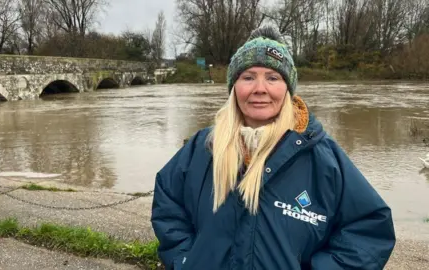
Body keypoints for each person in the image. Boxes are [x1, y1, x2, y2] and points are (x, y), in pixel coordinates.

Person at [151, 26, 396, 270]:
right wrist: (185, 260)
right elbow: (168, 204)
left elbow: (369, 230)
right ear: (234, 87)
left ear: (287, 89)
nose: (260, 88)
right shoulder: (202, 147)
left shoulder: (322, 155)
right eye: (248, 77)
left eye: (272, 77)